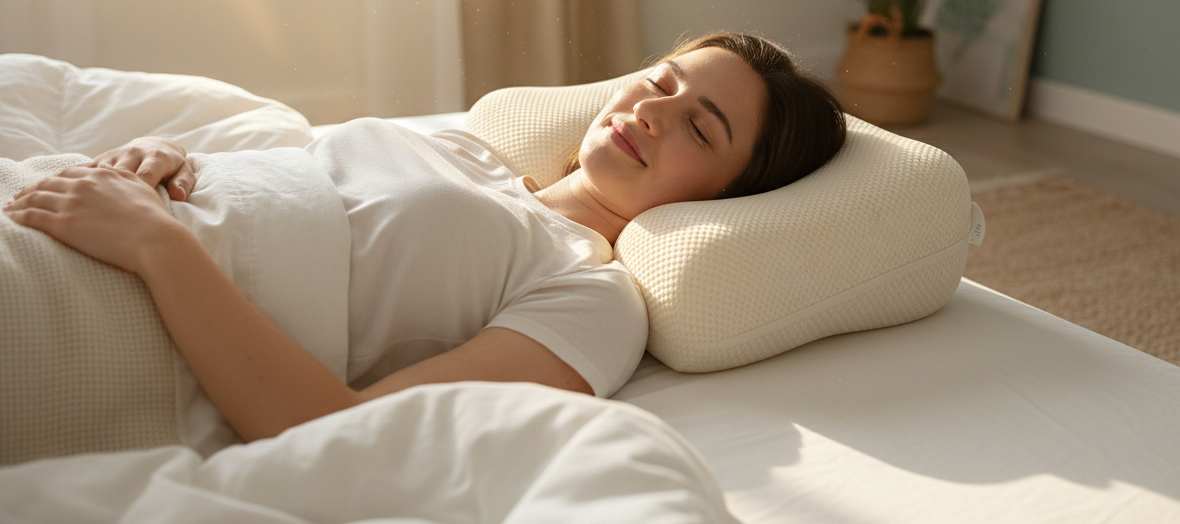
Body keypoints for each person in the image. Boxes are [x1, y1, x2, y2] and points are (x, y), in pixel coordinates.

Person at [3, 32, 845, 446]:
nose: (652, 112)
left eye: (701, 129)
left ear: (735, 196)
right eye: (662, 81)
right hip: (75, 199)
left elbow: (336, 432)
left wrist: (160, 246)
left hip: (110, 309)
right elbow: (291, 179)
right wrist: (171, 157)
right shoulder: (464, 145)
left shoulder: (592, 297)